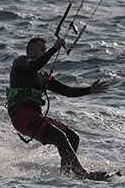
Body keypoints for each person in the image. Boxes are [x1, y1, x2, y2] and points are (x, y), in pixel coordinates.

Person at [6, 36, 111, 180]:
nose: (44, 52)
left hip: (35, 116)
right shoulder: (21, 62)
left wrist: (89, 90)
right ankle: (82, 174)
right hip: (22, 115)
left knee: (73, 137)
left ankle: (64, 175)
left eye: (45, 49)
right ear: (31, 50)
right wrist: (54, 48)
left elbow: (67, 91)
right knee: (59, 137)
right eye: (41, 49)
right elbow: (34, 65)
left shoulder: (43, 76)